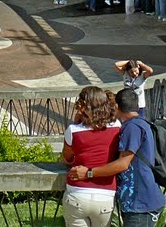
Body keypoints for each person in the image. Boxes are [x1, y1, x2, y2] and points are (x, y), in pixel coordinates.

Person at [69, 88, 166, 227]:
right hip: (140, 203)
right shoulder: (140, 123)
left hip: (141, 204)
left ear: (116, 107)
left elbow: (123, 164)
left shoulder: (132, 127)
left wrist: (89, 173)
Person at [60, 86, 122, 227]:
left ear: (82, 107)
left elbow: (67, 159)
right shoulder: (117, 126)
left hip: (77, 194)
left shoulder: (73, 131)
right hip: (105, 195)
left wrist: (78, 120)